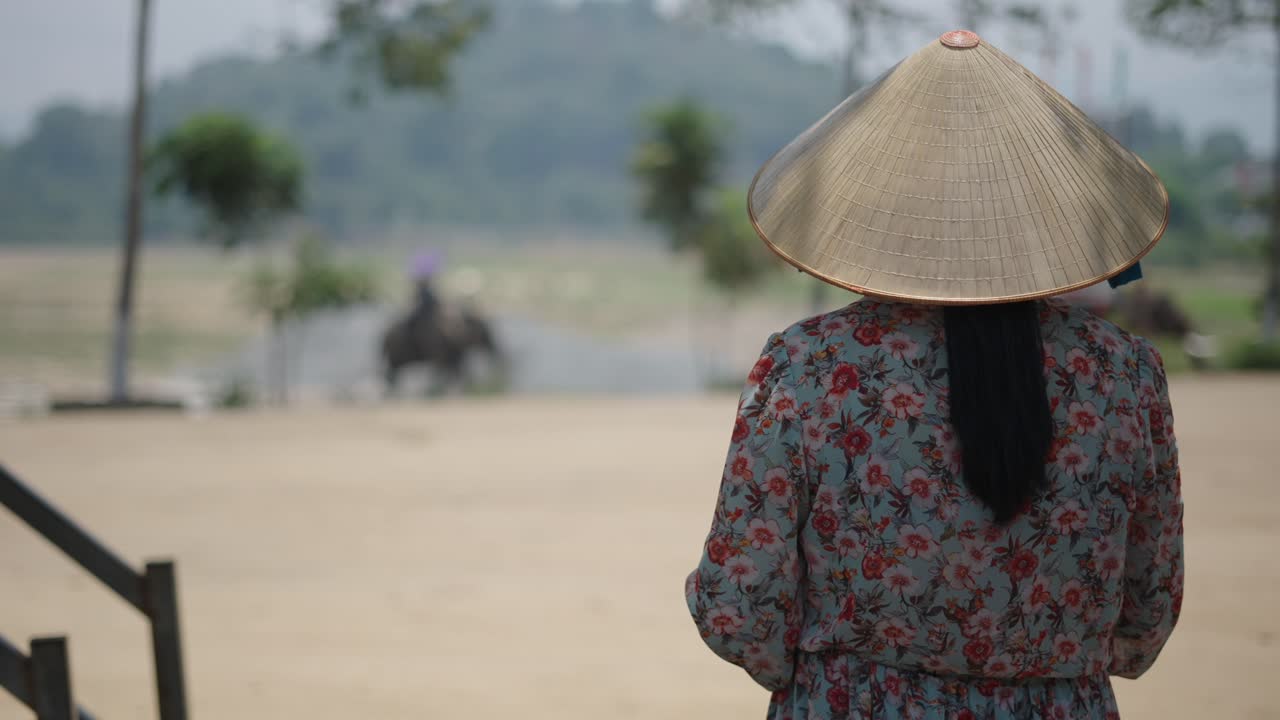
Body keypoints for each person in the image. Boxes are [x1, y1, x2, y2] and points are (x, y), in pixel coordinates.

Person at [685, 31, 1183, 719]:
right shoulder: (1126, 373)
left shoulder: (808, 366)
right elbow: (1146, 613)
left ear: (877, 211)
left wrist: (824, 675)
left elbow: (740, 610)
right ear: (1046, 214)